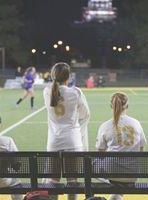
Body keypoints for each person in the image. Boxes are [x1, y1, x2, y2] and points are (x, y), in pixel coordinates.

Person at [43, 62, 90, 200]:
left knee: (53, 181)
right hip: (72, 141)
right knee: (72, 181)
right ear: (69, 77)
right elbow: (85, 115)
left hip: (54, 142)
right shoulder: (76, 92)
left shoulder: (47, 92)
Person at [95, 92, 147, 200]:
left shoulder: (105, 126)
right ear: (127, 106)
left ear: (111, 106)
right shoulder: (136, 123)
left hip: (112, 173)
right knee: (120, 185)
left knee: (90, 165)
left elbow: (99, 154)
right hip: (133, 175)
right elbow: (142, 150)